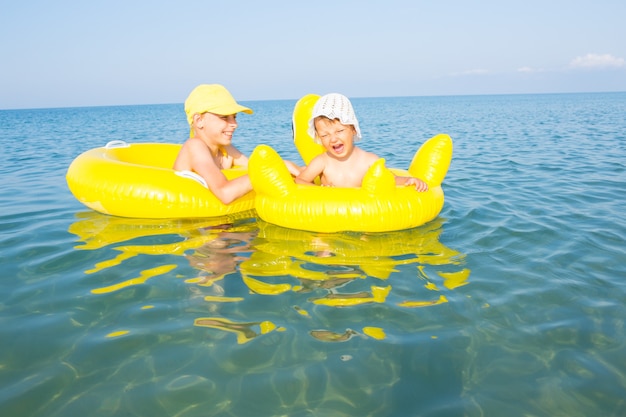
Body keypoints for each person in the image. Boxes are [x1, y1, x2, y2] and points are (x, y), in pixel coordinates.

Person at [174, 84, 301, 204]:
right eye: (224, 117)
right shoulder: (194, 146)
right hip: (196, 223)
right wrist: (273, 169)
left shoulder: (225, 150)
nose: (234, 124)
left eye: (234, 117)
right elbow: (225, 194)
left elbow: (252, 166)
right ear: (199, 120)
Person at [295, 93, 428, 191]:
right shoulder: (322, 161)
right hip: (332, 215)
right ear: (318, 136)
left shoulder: (369, 160)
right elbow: (300, 180)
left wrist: (409, 180)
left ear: (353, 129)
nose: (333, 139)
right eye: (325, 135)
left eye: (339, 131)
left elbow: (391, 179)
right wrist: (321, 190)